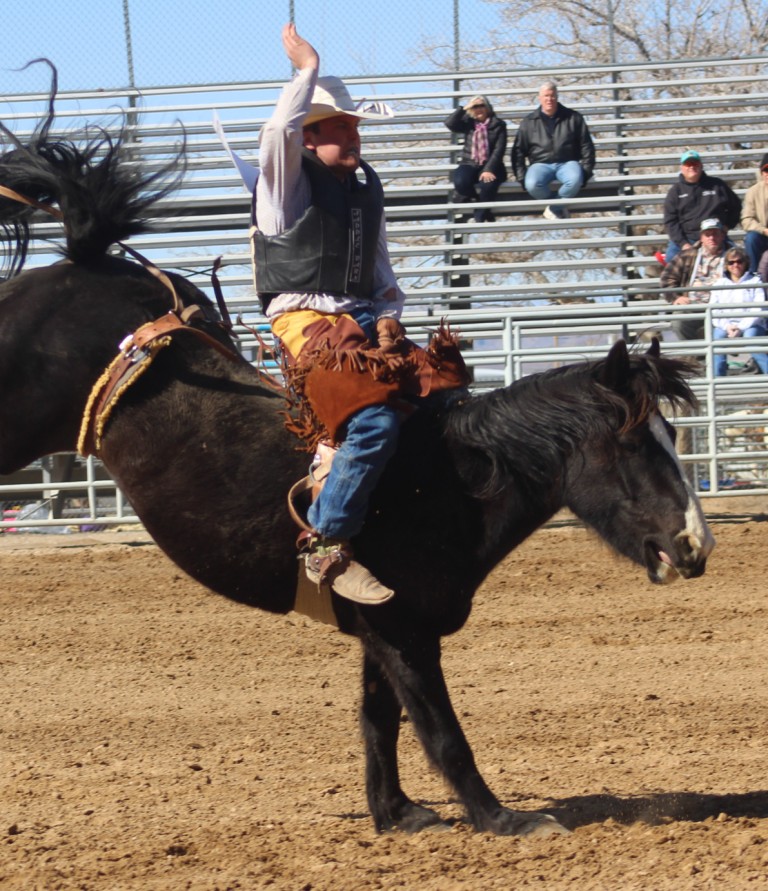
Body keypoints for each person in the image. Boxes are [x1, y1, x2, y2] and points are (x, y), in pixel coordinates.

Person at [251, 25, 466, 606]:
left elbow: (382, 277)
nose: (353, 135)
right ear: (309, 136)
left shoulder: (364, 193)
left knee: (444, 396)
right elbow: (275, 131)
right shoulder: (283, 187)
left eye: (354, 126)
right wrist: (307, 71)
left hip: (363, 323)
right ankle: (325, 541)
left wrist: (391, 319)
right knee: (373, 421)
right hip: (307, 324)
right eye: (340, 126)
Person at [510, 80, 595, 220]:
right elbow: (518, 151)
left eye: (552, 96)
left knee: (574, 180)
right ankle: (560, 206)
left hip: (568, 162)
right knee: (531, 184)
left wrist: (585, 172)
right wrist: (521, 177)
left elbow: (586, 145)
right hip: (540, 164)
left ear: (557, 96)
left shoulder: (573, 117)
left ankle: (553, 209)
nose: (549, 99)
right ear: (540, 98)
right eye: (546, 96)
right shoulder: (529, 122)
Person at [660, 151, 741, 264]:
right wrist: (684, 244)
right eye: (688, 164)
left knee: (736, 258)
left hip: (715, 237)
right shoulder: (675, 192)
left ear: (701, 165)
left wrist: (726, 227)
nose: (692, 167)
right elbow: (670, 222)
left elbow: (736, 207)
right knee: (671, 258)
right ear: (682, 168)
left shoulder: (717, 185)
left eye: (695, 163)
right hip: (687, 238)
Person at [660, 218, 730, 341]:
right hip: (692, 305)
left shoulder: (734, 257)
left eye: (715, 234)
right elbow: (667, 278)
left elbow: (745, 280)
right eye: (707, 234)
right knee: (678, 322)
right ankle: (696, 358)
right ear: (701, 238)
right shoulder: (687, 255)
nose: (711, 238)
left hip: (724, 307)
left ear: (722, 235)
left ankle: (717, 359)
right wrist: (676, 297)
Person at [444, 96, 507, 222]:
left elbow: (499, 150)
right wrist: (464, 108)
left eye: (481, 106)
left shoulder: (499, 125)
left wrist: (488, 169)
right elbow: (449, 123)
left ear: (487, 108)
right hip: (469, 162)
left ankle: (480, 216)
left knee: (488, 185)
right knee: (460, 181)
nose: (478, 109)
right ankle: (476, 200)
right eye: (475, 107)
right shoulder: (468, 122)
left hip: (491, 165)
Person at [711, 247, 768, 376]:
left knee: (750, 338)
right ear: (726, 265)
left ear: (745, 263)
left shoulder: (755, 281)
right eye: (731, 262)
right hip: (726, 325)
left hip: (751, 325)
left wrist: (740, 327)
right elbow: (714, 310)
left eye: (739, 261)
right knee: (717, 339)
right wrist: (727, 326)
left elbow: (758, 309)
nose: (735, 265)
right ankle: (717, 381)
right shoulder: (719, 284)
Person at [740, 153, 768, 273]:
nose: (767, 173)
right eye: (765, 170)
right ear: (761, 173)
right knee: (751, 238)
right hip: (763, 236)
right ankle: (753, 277)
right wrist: (764, 230)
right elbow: (746, 220)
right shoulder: (753, 191)